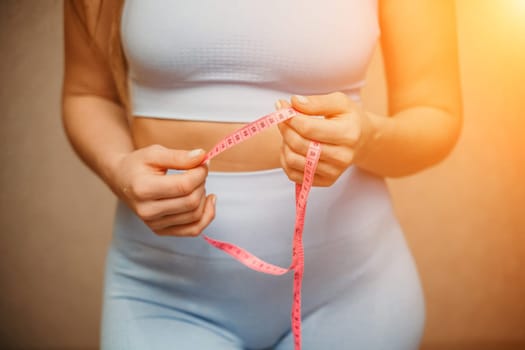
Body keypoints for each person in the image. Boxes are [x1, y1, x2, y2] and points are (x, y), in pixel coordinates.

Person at [62, 0, 461, 349]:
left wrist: (366, 138)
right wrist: (119, 168)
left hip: (351, 290)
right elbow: (86, 94)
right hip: (162, 292)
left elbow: (436, 115)